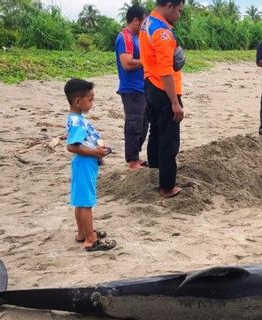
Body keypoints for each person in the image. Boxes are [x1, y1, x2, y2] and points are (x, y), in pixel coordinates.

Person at [139, 0, 185, 198]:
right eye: (179, 11)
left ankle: (155, 168)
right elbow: (166, 71)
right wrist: (174, 102)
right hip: (164, 88)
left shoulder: (147, 23)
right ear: (169, 6)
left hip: (150, 83)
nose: (179, 15)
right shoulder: (163, 32)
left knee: (156, 130)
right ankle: (167, 186)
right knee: (169, 138)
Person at [65, 79, 116, 252]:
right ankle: (90, 240)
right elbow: (72, 146)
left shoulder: (76, 118)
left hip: (84, 164)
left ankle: (82, 233)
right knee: (86, 202)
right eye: (90, 99)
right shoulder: (77, 122)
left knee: (80, 201)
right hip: (85, 163)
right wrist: (96, 152)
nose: (92, 103)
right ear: (78, 101)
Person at [115, 5, 149, 171]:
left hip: (142, 88)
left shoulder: (137, 37)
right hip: (131, 89)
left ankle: (136, 155)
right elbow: (127, 63)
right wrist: (149, 60)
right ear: (136, 20)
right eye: (143, 22)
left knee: (143, 125)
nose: (145, 26)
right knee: (134, 124)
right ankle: (132, 160)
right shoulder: (125, 37)